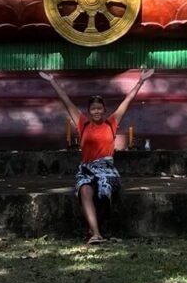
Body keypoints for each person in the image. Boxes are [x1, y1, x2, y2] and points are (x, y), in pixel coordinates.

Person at [39, 67, 154, 244]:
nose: (97, 112)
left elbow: (127, 101)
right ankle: (96, 234)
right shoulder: (82, 123)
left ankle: (95, 228)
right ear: (89, 111)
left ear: (104, 110)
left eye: (99, 109)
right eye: (93, 109)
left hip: (106, 170)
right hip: (86, 169)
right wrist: (52, 80)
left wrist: (140, 81)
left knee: (104, 191)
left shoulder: (111, 123)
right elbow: (66, 101)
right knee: (84, 190)